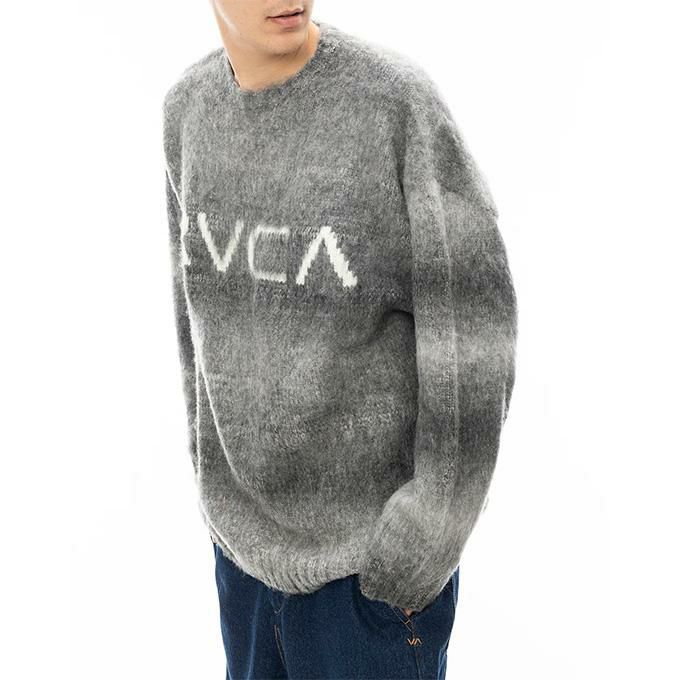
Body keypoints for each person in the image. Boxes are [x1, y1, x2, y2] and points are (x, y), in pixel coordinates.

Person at [162, 2, 518, 678]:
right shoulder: (187, 112)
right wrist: (215, 490)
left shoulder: (393, 106)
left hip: (366, 588)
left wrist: (422, 540)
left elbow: (475, 324)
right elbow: (194, 321)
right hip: (242, 567)